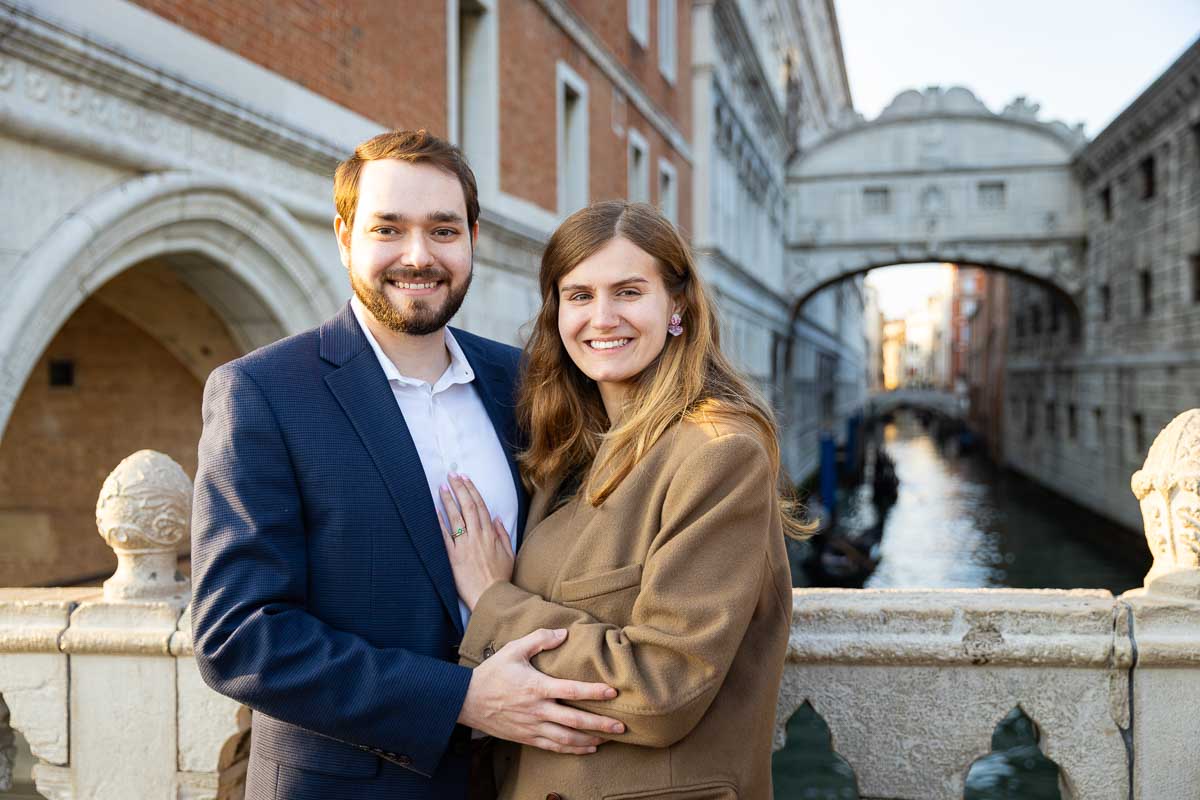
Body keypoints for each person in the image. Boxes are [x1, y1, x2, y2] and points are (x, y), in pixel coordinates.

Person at [190, 130, 624, 800]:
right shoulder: (263, 392)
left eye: (443, 230)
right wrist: (459, 699)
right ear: (345, 236)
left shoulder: (525, 381)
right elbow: (239, 636)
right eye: (388, 228)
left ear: (472, 237)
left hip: (523, 775)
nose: (418, 256)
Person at [440, 201, 804, 799]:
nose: (601, 318)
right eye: (578, 296)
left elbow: (664, 687)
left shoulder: (719, 452)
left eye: (628, 292)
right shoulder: (566, 453)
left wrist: (493, 602)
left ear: (677, 305)